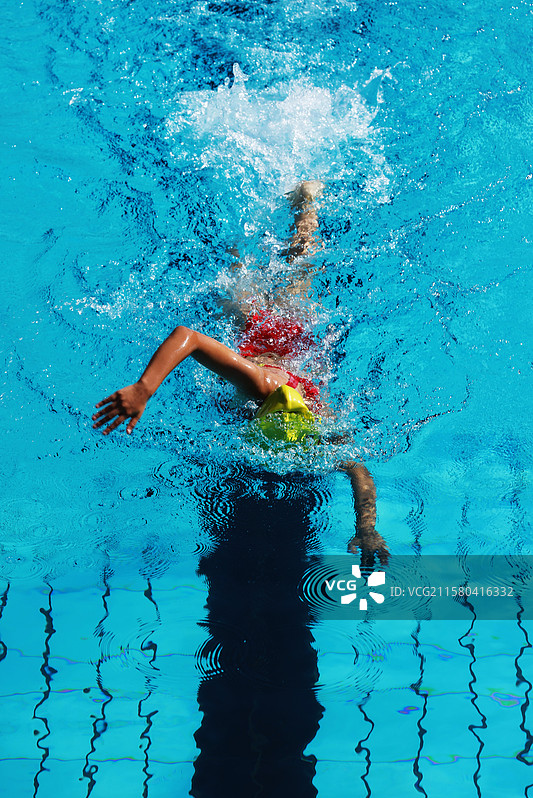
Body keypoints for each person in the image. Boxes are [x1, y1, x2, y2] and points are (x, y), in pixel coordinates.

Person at [92, 181, 389, 566]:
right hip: (273, 332)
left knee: (260, 271)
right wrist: (144, 388)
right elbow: (188, 338)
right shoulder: (262, 386)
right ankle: (297, 203)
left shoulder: (320, 422)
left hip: (286, 354)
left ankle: (282, 212)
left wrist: (367, 529)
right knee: (281, 271)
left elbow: (359, 471)